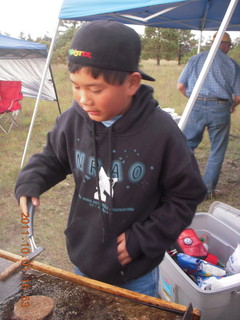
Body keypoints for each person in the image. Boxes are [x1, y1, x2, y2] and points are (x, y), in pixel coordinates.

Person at [15, 20, 206, 298]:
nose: (83, 99)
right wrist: (31, 179)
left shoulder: (162, 133)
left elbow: (186, 195)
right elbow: (54, 158)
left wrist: (143, 238)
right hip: (85, 257)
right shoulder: (73, 120)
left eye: (95, 89)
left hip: (135, 270)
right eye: (76, 86)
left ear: (131, 83)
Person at [177, 32, 240, 198]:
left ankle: (181, 185)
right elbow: (239, 96)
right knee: (217, 150)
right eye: (229, 46)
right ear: (225, 45)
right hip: (220, 107)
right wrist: (232, 106)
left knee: (187, 145)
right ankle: (207, 191)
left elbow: (180, 86)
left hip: (196, 104)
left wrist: (194, 100)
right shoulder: (232, 64)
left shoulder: (195, 59)